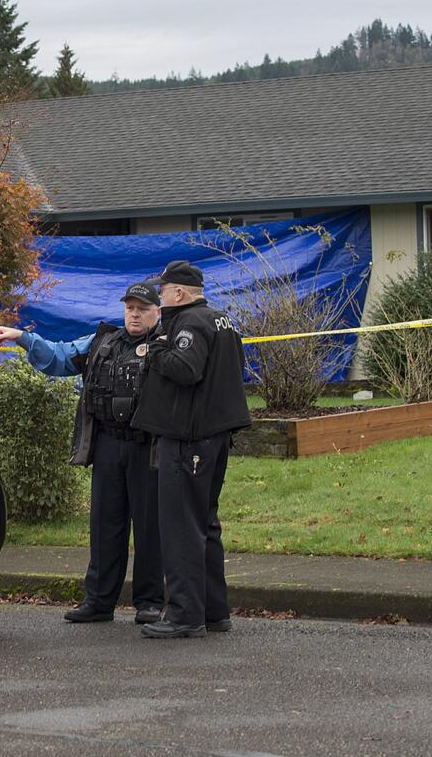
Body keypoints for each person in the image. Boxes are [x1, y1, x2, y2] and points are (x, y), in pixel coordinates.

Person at [0, 283, 164, 625]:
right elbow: (59, 357)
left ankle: (149, 601)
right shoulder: (102, 342)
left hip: (148, 446)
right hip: (109, 444)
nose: (135, 314)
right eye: (130, 308)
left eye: (142, 308)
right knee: (104, 525)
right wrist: (21, 337)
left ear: (158, 312)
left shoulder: (165, 345)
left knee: (149, 526)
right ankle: (98, 601)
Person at [131, 260, 251, 639]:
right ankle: (214, 611)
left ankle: (184, 614)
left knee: (181, 527)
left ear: (179, 292)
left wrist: (155, 351)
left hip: (187, 439)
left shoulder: (188, 324)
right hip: (213, 436)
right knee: (205, 524)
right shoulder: (222, 321)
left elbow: (186, 368)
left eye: (163, 290)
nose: (159, 296)